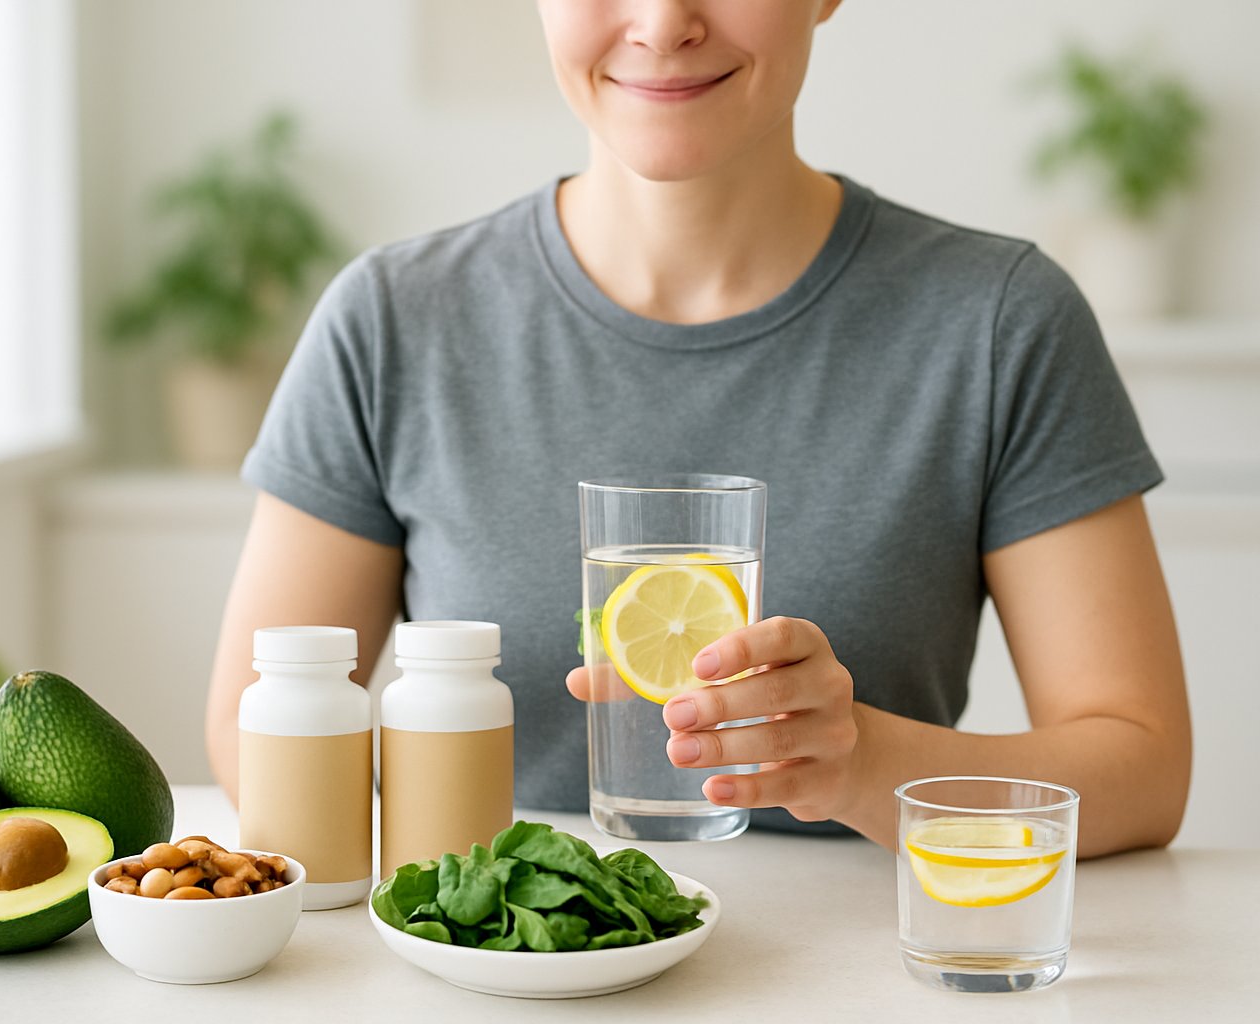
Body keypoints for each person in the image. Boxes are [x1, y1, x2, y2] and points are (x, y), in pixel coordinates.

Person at [204, 0, 1190, 857]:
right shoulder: (391, 319)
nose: (663, 21)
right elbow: (255, 734)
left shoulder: (1000, 322)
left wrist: (856, 761)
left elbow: (1141, 769)